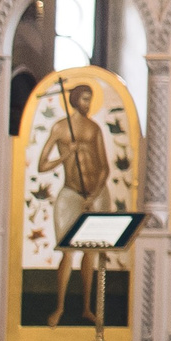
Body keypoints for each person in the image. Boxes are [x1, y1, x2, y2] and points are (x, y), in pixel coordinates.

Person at [39, 82, 114, 327]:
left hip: (94, 194)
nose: (87, 104)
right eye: (83, 99)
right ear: (73, 100)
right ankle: (59, 308)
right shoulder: (60, 128)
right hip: (71, 193)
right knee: (67, 251)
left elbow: (104, 167)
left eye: (90, 99)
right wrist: (65, 154)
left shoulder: (94, 128)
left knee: (90, 252)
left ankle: (86, 308)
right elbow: (42, 165)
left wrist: (94, 195)